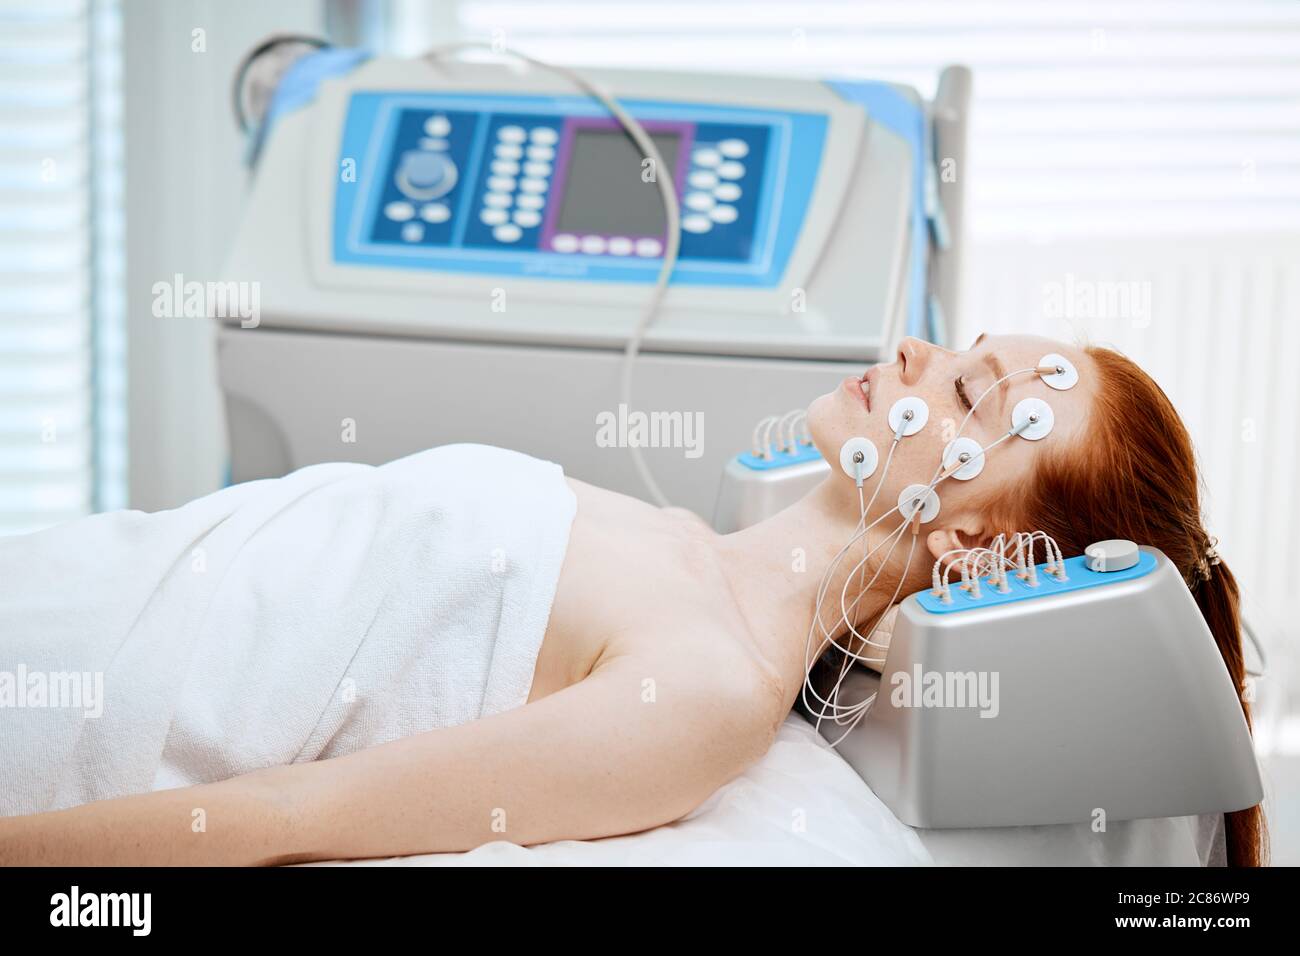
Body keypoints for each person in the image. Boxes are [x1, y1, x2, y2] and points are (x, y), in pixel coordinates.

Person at [0, 333, 1264, 866]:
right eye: (961, 341)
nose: (919, 356)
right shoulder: (678, 547)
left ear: (981, 541)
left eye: (978, 399)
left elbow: (284, 816)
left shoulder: (707, 694)